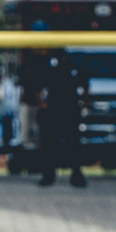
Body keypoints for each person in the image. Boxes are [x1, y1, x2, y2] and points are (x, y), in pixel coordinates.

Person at [38, 50, 87, 188]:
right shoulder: (51, 71)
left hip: (70, 111)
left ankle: (76, 174)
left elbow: (84, 86)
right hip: (54, 111)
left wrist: (84, 101)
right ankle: (49, 174)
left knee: (73, 145)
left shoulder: (74, 70)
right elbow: (42, 88)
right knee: (51, 144)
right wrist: (43, 103)